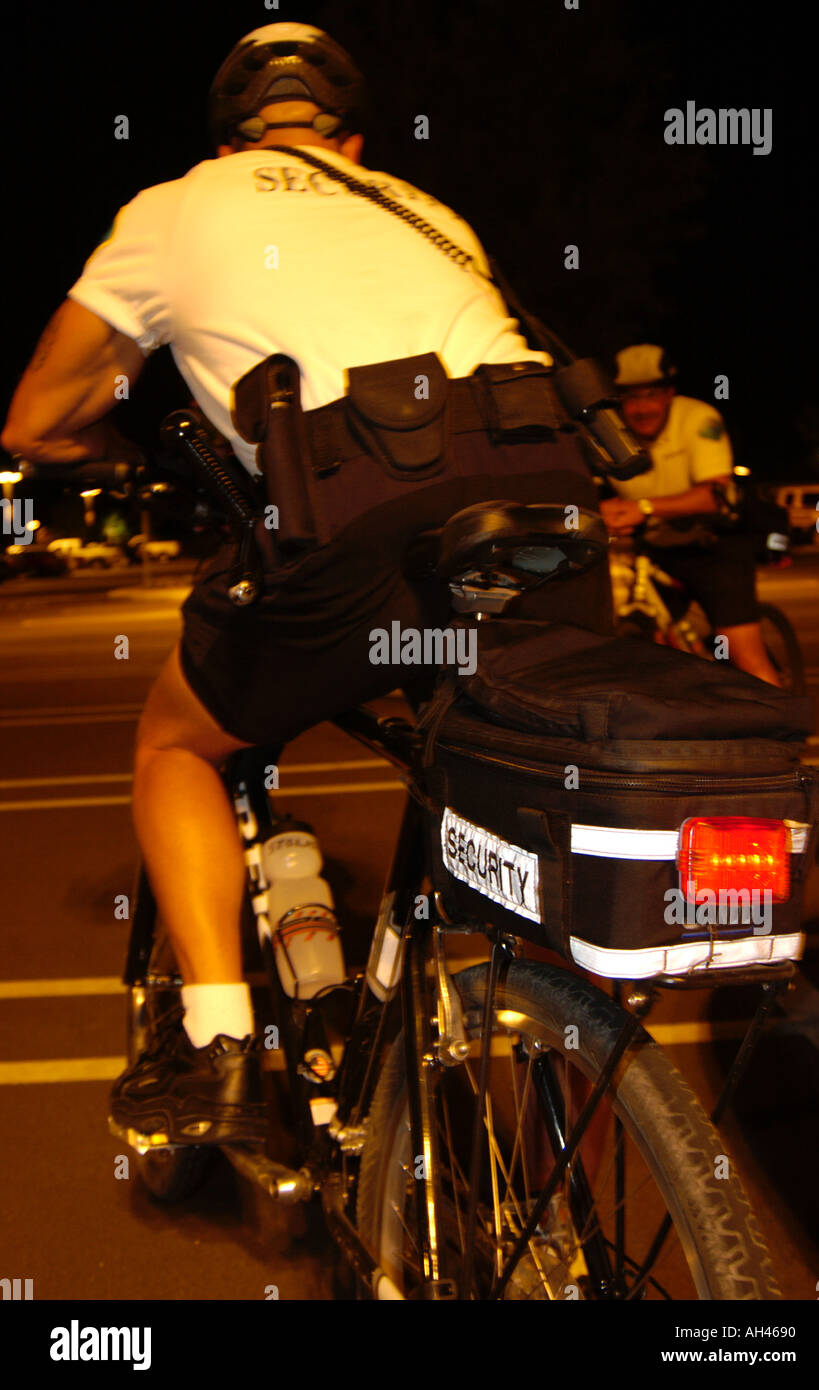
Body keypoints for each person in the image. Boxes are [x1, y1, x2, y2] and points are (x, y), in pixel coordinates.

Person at [1, 23, 613, 1146]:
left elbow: (33, 419)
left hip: (360, 507)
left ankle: (221, 1045)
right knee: (501, 744)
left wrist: (110, 441)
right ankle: (540, 1018)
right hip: (544, 506)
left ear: (231, 139)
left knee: (179, 744)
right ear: (356, 142)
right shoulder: (426, 210)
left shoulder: (177, 206)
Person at [600, 343, 780, 685]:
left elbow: (714, 496)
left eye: (651, 395)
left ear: (670, 393)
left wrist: (643, 508)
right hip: (653, 547)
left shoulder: (698, 418)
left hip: (714, 545)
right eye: (629, 397)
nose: (641, 408)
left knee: (744, 655)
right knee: (656, 647)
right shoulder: (608, 431)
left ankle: (787, 732)